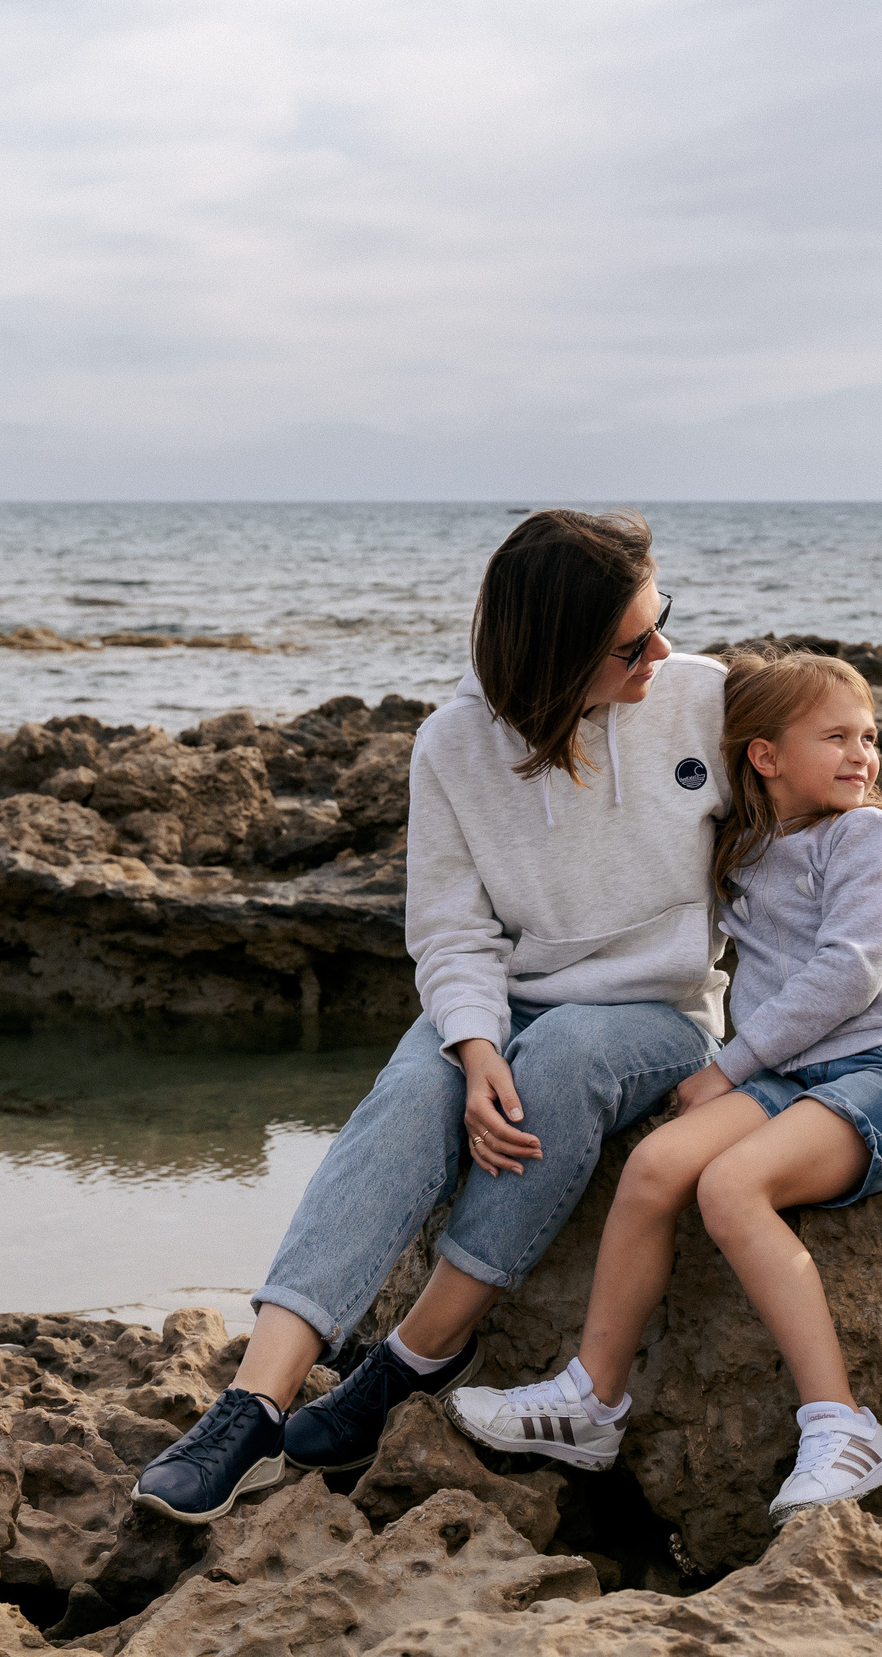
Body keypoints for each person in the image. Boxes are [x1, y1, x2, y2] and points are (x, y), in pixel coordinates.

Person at [133, 509, 731, 1523]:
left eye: (660, 617)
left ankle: (413, 1357)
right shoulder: (452, 746)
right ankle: (250, 1404)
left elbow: (828, 796)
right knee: (410, 1095)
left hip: (657, 1008)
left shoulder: (707, 700)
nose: (661, 651)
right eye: (631, 643)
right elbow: (451, 931)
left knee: (569, 1059)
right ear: (552, 656)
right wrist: (473, 1043)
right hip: (507, 994)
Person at [442, 649, 882, 1527]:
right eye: (835, 736)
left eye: (869, 736)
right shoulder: (744, 845)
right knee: (657, 1164)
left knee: (730, 1184)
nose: (862, 754)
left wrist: (726, 1064)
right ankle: (590, 1402)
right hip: (794, 1073)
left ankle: (841, 1423)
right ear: (763, 756)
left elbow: (852, 967)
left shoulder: (867, 833)